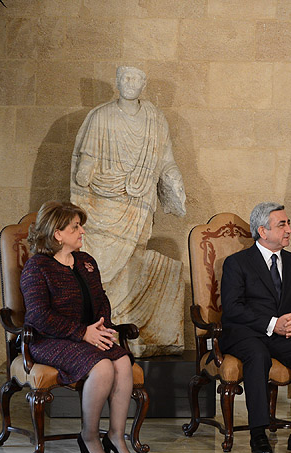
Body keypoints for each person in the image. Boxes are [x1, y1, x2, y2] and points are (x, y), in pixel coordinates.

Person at [71, 65, 187, 357]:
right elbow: (87, 156)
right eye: (125, 77)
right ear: (117, 82)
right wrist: (84, 170)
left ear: (144, 84)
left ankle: (128, 327)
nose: (130, 82)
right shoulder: (101, 116)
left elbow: (165, 159)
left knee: (133, 258)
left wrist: (174, 178)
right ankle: (100, 325)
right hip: (102, 202)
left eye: (136, 78)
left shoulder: (155, 119)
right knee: (98, 262)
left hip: (138, 200)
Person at [20, 201, 141, 453]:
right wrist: (83, 332)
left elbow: (101, 300)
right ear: (57, 234)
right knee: (103, 367)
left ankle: (116, 437)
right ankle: (89, 437)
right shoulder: (37, 267)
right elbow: (39, 317)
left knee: (122, 361)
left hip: (88, 336)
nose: (82, 231)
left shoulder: (86, 262)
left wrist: (103, 327)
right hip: (49, 340)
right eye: (75, 227)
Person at [220, 202, 291, 453]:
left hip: (283, 334)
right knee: (258, 355)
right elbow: (232, 308)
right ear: (262, 231)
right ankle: (258, 434)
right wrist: (272, 323)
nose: (289, 230)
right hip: (246, 333)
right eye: (282, 224)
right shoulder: (237, 263)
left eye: (289, 223)